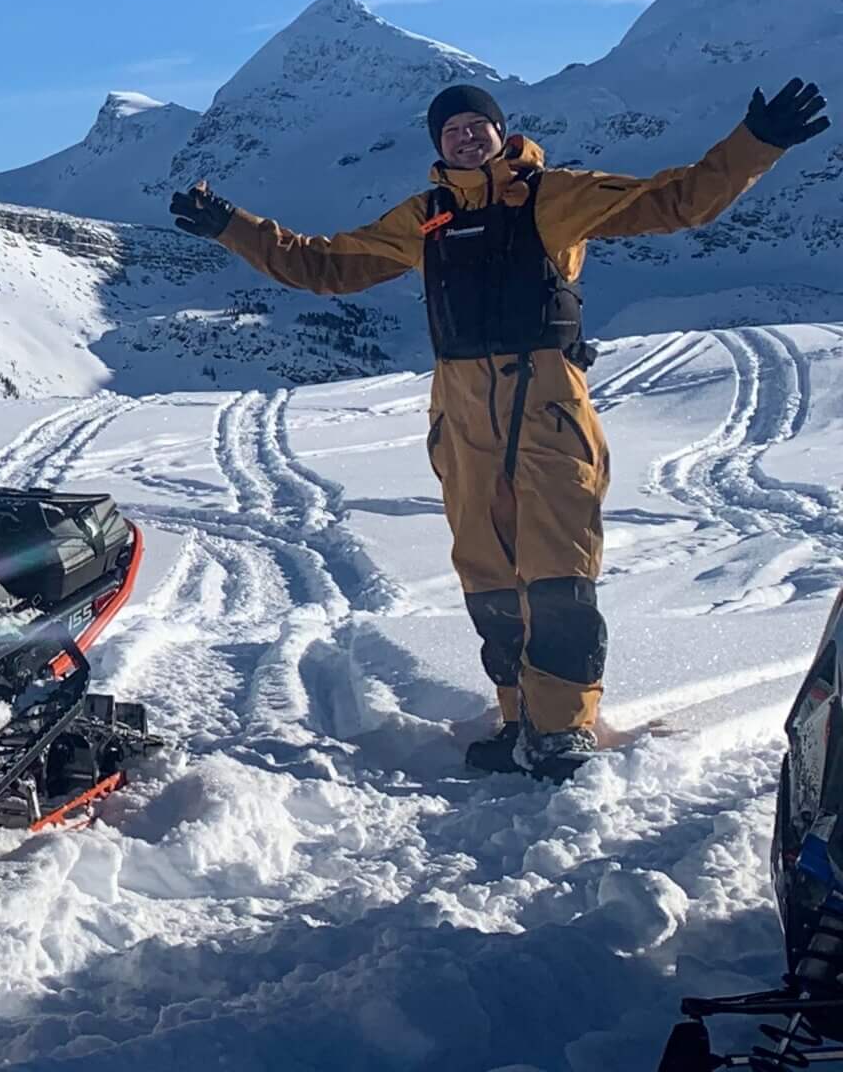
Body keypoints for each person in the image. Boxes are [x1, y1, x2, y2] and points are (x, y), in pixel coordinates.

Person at [170, 76, 829, 780]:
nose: (464, 135)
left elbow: (674, 201)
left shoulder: (554, 194)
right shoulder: (425, 217)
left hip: (546, 403)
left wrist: (756, 143)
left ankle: (564, 727)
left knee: (557, 573)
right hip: (460, 411)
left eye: (475, 125)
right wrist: (230, 226)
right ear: (439, 144)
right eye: (451, 129)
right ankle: (519, 717)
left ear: (499, 131)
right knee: (488, 575)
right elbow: (323, 264)